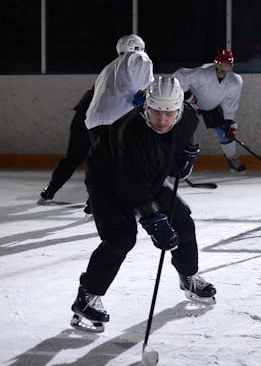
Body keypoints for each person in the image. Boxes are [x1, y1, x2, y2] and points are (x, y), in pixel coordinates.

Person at [70, 76, 216, 333]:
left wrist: (183, 164)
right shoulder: (131, 133)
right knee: (120, 238)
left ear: (179, 109)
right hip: (108, 181)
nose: (162, 120)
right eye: (156, 112)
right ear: (146, 107)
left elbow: (169, 157)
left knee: (182, 222)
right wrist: (154, 220)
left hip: (147, 177)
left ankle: (189, 277)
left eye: (169, 113)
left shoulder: (188, 120)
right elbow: (130, 186)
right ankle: (87, 296)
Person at [173, 48, 246, 173]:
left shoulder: (235, 81)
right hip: (191, 104)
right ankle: (177, 159)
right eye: (222, 63)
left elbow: (230, 103)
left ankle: (232, 159)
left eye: (227, 64)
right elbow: (180, 75)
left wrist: (228, 120)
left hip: (212, 106)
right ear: (216, 63)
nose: (224, 67)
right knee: (185, 129)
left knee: (225, 131)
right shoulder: (202, 73)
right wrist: (186, 95)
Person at [85, 34, 154, 146]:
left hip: (94, 123)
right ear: (138, 47)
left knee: (104, 162)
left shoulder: (106, 69)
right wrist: (148, 94)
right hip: (121, 120)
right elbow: (145, 84)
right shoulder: (138, 55)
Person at [37, 86, 94, 204]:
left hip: (86, 114)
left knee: (75, 158)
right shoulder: (130, 74)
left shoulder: (113, 72)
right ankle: (94, 200)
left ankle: (49, 191)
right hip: (95, 116)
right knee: (98, 160)